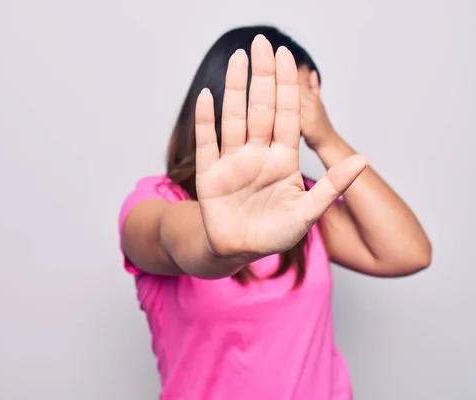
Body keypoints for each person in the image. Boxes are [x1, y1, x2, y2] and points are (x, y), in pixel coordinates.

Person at [118, 25, 431, 400]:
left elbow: (409, 253)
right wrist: (224, 243)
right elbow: (175, 237)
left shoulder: (303, 207)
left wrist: (326, 138)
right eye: (290, 101)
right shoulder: (154, 202)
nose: (298, 117)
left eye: (307, 103)